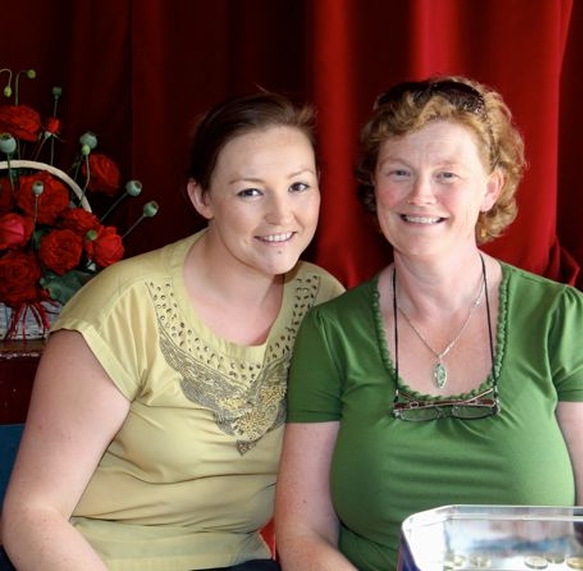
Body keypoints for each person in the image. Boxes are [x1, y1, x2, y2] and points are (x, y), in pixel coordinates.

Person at [274, 75, 583, 571]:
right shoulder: (331, 331)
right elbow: (303, 536)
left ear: (491, 188)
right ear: (374, 186)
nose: (420, 195)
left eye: (447, 175)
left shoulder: (560, 319)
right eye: (399, 172)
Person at [1, 91, 344, 570]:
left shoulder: (323, 301)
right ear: (202, 198)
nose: (282, 214)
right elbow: (32, 514)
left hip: (243, 562)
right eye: (250, 191)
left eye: (299, 186)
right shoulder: (125, 306)